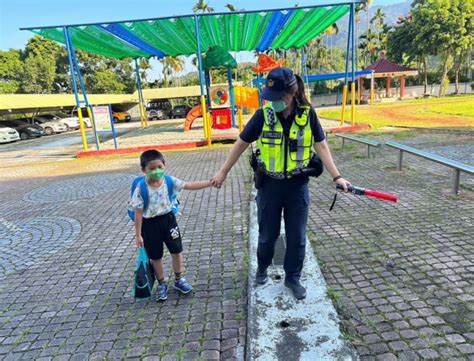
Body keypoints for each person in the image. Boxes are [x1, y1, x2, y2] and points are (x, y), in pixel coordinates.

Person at [210, 68, 351, 300]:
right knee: (268, 235)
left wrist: (337, 177)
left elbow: (321, 146)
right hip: (269, 187)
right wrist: (223, 171)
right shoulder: (263, 115)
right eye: (270, 96)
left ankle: (293, 277)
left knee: (297, 236)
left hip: (297, 186)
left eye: (278, 96)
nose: (272, 101)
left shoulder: (308, 114)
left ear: (292, 93)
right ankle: (262, 268)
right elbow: (241, 143)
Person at [131, 149, 212, 301]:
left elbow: (189, 185)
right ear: (144, 170)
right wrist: (138, 235)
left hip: (169, 221)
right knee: (156, 256)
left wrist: (209, 183)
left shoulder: (169, 181)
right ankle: (162, 283)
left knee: (176, 250)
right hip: (150, 225)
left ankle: (179, 279)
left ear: (164, 166)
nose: (157, 171)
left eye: (160, 167)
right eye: (152, 169)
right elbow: (138, 214)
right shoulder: (140, 189)